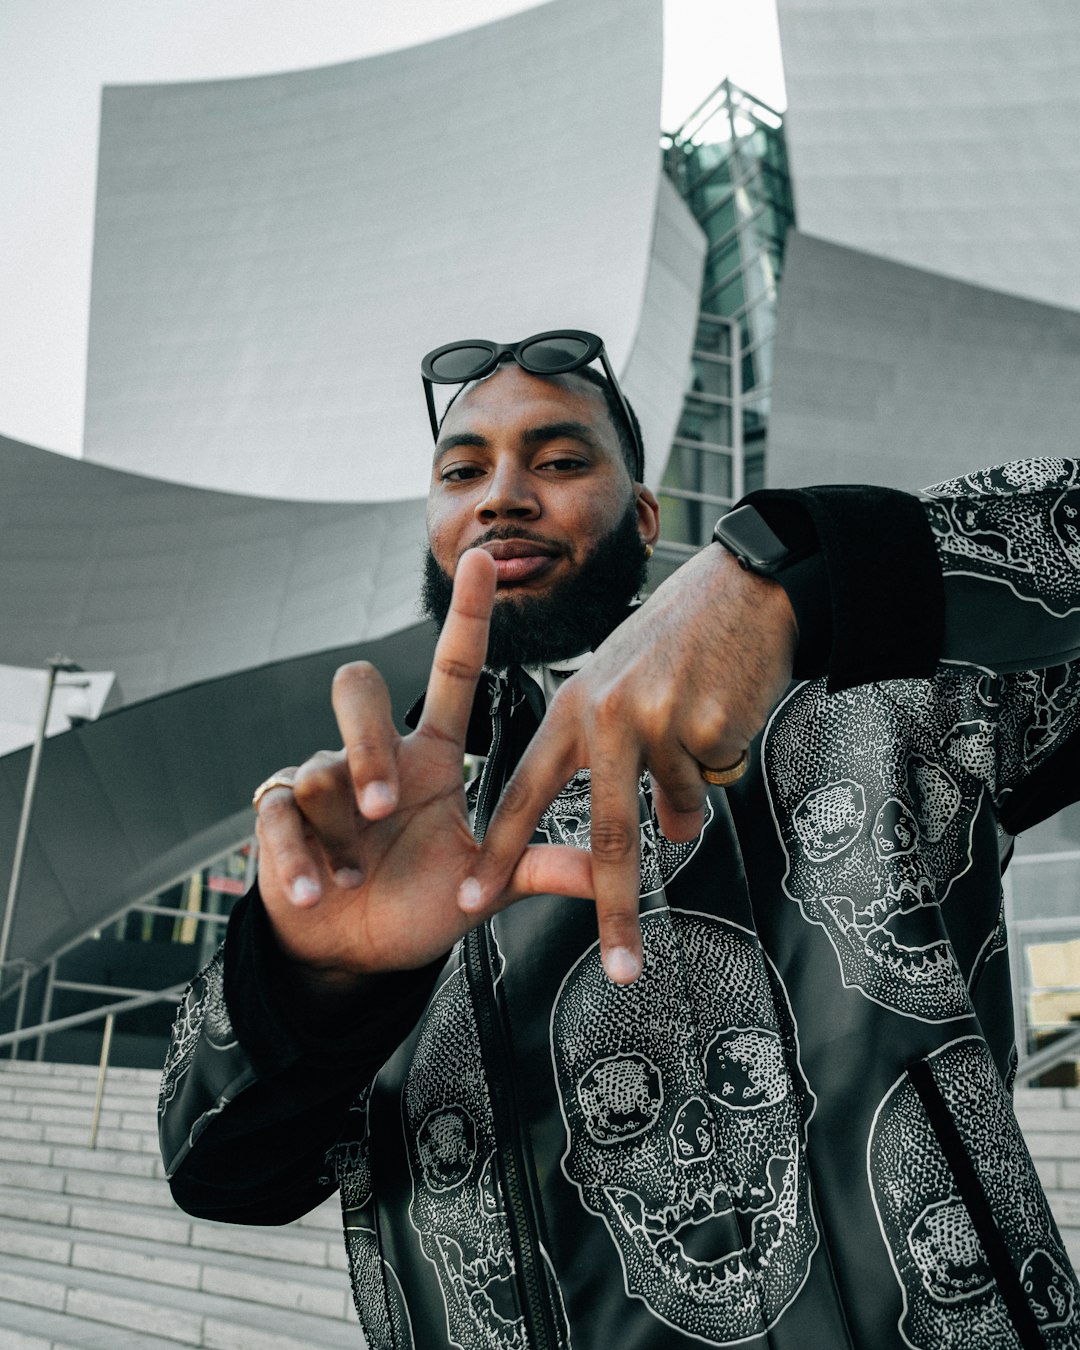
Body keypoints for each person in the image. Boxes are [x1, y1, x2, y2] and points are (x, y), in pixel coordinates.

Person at [159, 328, 1080, 1350]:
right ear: (431, 523)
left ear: (645, 514)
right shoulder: (366, 836)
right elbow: (216, 1173)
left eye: (558, 461)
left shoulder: (885, 692)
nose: (503, 494)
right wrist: (316, 980)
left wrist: (793, 574)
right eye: (463, 470)